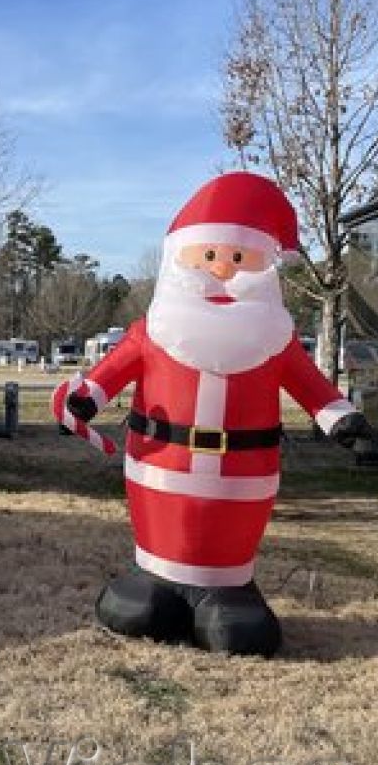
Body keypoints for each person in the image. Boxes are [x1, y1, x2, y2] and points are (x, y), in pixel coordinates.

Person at [54, 171, 374, 657]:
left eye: (239, 258)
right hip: (158, 474)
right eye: (209, 256)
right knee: (141, 604)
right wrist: (84, 400)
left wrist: (344, 420)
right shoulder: (152, 330)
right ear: (181, 260)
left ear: (263, 264)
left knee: (235, 627)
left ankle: (226, 591)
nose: (223, 269)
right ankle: (155, 578)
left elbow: (313, 387)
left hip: (242, 482)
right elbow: (107, 374)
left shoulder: (274, 338)